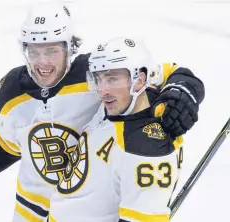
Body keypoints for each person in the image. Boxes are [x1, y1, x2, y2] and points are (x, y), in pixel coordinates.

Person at [0, 2, 204, 222]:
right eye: (34, 52)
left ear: (69, 47)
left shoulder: (99, 74)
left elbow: (163, 72)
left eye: (51, 50)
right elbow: (9, 141)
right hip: (30, 212)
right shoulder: (11, 92)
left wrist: (183, 91)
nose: (43, 63)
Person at [48, 37, 185, 222]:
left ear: (139, 79)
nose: (103, 91)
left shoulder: (144, 150)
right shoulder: (122, 104)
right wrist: (186, 86)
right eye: (99, 79)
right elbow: (172, 71)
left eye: (112, 79)